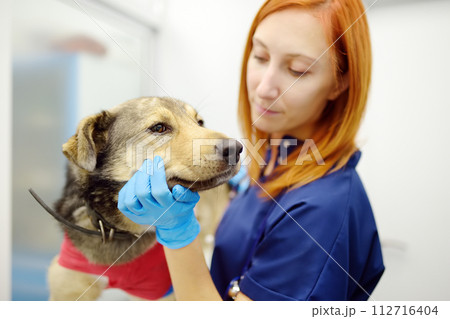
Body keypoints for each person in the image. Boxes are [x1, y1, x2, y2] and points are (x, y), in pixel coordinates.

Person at [118, 0, 384, 301]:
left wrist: (177, 233)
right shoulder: (273, 157)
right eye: (260, 56)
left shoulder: (322, 210)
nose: (264, 87)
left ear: (340, 83)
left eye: (298, 70)